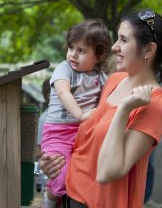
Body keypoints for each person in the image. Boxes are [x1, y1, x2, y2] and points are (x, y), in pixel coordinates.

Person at [40, 9, 162, 208]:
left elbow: (107, 172)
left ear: (149, 50)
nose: (114, 47)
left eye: (123, 40)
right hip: (68, 196)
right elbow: (85, 143)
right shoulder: (114, 80)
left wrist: (124, 111)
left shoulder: (154, 105)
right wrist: (53, 164)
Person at [40, 19, 111, 208]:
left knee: (79, 174)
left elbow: (107, 101)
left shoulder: (101, 78)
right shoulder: (64, 68)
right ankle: (49, 198)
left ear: (99, 56)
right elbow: (64, 92)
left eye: (82, 51)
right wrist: (80, 114)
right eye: (71, 48)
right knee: (60, 174)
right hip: (59, 132)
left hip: (84, 133)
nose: (73, 55)